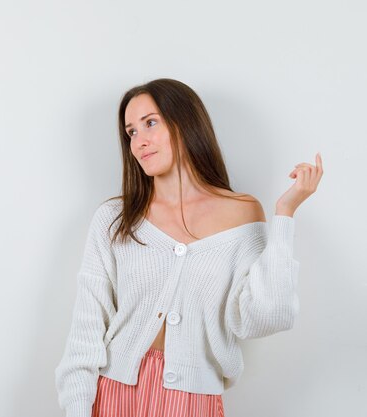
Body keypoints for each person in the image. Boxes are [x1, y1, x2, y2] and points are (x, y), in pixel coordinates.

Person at [54, 78, 323, 417]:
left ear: (185, 123)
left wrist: (285, 215)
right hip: (112, 396)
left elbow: (264, 318)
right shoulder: (115, 218)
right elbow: (86, 330)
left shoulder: (241, 213)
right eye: (131, 132)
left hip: (193, 402)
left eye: (150, 123)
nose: (139, 141)